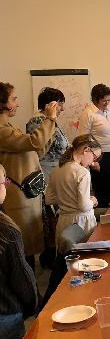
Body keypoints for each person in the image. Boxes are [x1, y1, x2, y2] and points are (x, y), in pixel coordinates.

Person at [0, 82, 58, 266]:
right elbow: (34, 142)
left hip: (27, 193)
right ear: (3, 103)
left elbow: (36, 150)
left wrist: (50, 126)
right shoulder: (2, 130)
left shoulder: (10, 127)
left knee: (29, 247)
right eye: (14, 99)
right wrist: (50, 119)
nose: (17, 103)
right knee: (23, 249)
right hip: (18, 196)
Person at [0, 163, 39, 339]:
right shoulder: (6, 231)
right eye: (4, 182)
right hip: (6, 319)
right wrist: (33, 306)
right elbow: (22, 280)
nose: (6, 185)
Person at [45, 134, 101, 244]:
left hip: (64, 222)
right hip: (81, 224)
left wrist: (67, 198)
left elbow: (49, 199)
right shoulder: (82, 172)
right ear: (86, 150)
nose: (93, 162)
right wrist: (93, 201)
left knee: (68, 253)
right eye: (94, 157)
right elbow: (84, 206)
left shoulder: (56, 170)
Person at [79, 83, 110, 208]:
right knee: (102, 189)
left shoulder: (109, 110)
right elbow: (84, 138)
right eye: (104, 101)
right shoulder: (88, 113)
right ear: (95, 99)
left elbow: (109, 128)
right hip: (99, 156)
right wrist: (93, 160)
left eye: (109, 100)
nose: (107, 103)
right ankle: (102, 214)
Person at [26, 87, 69, 181]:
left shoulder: (48, 120)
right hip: (46, 171)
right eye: (60, 105)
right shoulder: (38, 120)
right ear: (49, 105)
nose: (62, 109)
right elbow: (39, 147)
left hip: (55, 169)